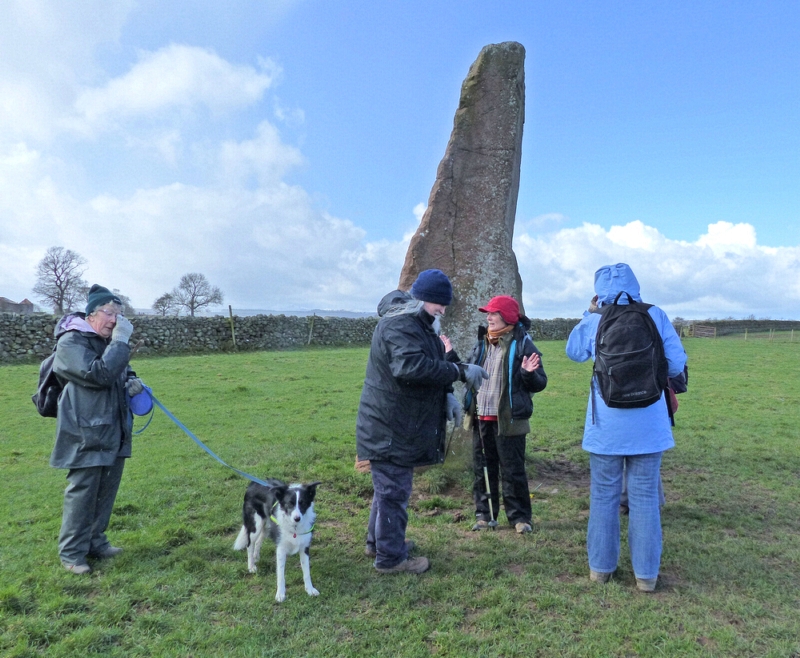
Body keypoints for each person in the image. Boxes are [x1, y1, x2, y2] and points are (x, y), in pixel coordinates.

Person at [356, 269, 488, 574]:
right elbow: (409, 367)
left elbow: (432, 362)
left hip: (398, 422)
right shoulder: (401, 324)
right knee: (393, 491)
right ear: (421, 299)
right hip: (390, 425)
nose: (442, 309)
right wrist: (458, 373)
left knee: (388, 488)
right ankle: (390, 558)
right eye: (438, 303)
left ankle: (379, 542)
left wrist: (445, 394)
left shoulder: (417, 322)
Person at [566, 263, 687, 592]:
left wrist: (589, 312)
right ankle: (646, 577)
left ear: (598, 290)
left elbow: (573, 352)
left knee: (603, 496)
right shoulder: (655, 315)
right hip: (650, 424)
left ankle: (600, 570)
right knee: (645, 498)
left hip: (606, 425)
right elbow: (676, 363)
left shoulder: (596, 318)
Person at [50, 284, 144, 574]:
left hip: (113, 429)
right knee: (83, 493)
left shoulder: (106, 342)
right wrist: (121, 344)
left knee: (106, 491)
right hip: (84, 433)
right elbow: (98, 374)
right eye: (109, 313)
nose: (115, 320)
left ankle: (96, 542)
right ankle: (72, 555)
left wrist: (134, 382)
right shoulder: (71, 344)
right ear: (91, 315)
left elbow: (120, 370)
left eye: (119, 314)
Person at [462, 295, 548, 534]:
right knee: (483, 468)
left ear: (507, 317)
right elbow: (468, 372)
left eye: (493, 313)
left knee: (512, 469)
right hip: (480, 417)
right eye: (488, 314)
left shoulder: (523, 345)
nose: (488, 317)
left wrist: (529, 374)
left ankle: (520, 518)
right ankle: (485, 515)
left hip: (509, 421)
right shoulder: (481, 343)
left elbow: (540, 382)